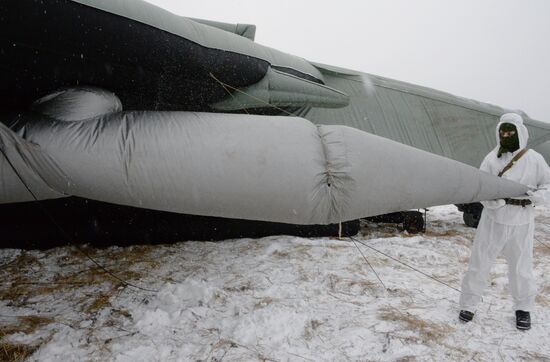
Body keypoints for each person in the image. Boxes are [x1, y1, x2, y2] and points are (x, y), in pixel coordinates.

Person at [458, 112, 550, 330]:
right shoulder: (491, 159)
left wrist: (540, 196)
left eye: (510, 130)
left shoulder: (534, 159)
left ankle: (523, 308)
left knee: (521, 267)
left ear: (520, 132)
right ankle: (468, 305)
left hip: (522, 220)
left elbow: (547, 184)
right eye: (503, 131)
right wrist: (492, 203)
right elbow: (480, 186)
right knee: (480, 263)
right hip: (494, 219)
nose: (506, 134)